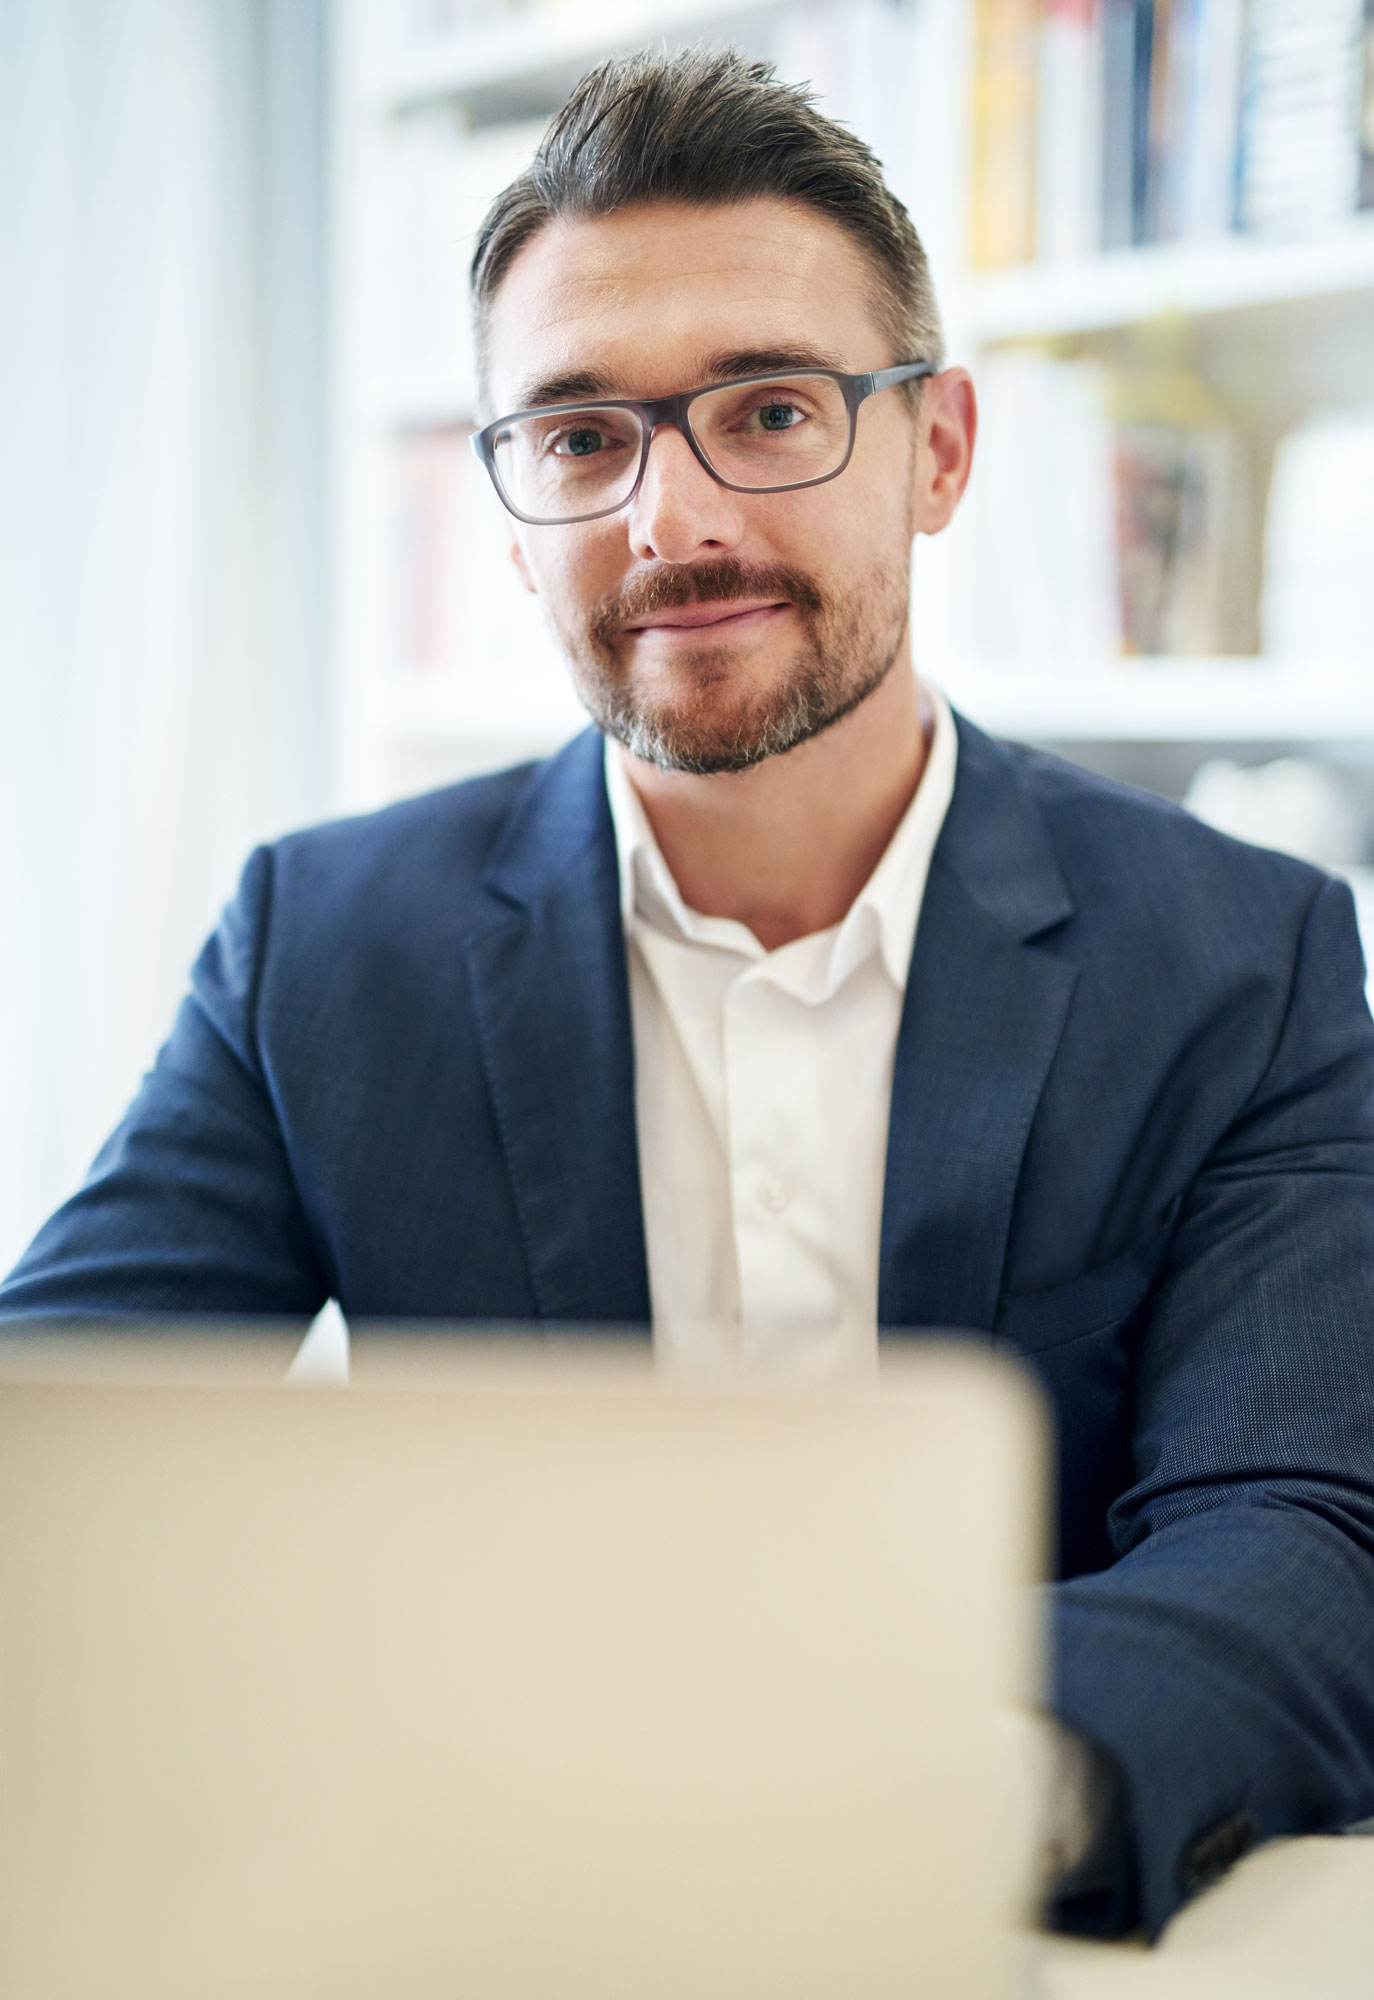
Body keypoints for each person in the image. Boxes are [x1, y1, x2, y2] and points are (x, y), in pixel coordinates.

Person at [4, 46, 1373, 1942]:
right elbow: (57, 1456)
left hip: (1004, 1921)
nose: (673, 519)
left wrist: (945, 1790)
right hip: (468, 1910)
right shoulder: (322, 945)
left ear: (940, 449)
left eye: (770, 408)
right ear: (507, 510)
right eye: (579, 438)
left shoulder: (1248, 955)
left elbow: (1298, 1533)